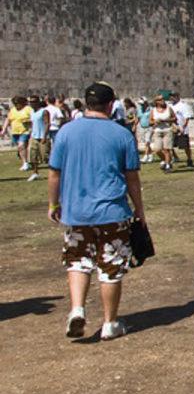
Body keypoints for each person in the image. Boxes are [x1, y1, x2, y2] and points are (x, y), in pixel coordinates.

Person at [48, 81, 146, 341]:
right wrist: (139, 210)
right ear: (111, 104)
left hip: (76, 211)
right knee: (111, 267)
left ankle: (77, 308)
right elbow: (132, 178)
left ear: (86, 103)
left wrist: (53, 204)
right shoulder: (121, 134)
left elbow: (54, 173)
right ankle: (110, 323)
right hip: (112, 212)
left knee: (78, 262)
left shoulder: (66, 132)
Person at [4, 95, 33, 171]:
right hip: (15, 132)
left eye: (17, 103)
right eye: (15, 103)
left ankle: (26, 163)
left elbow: (33, 118)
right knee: (20, 148)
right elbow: (8, 119)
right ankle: (25, 162)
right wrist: (4, 129)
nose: (16, 105)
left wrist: (29, 123)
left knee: (21, 146)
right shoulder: (13, 110)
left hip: (25, 131)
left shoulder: (28, 109)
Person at [148, 94, 176, 172]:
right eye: (160, 100)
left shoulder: (169, 108)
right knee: (157, 149)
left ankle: (167, 166)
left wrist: (166, 120)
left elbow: (174, 118)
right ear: (156, 102)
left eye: (163, 99)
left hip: (167, 130)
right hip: (157, 131)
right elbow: (150, 122)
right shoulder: (153, 110)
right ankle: (166, 161)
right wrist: (155, 121)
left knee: (167, 149)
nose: (162, 101)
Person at [26, 96, 49, 181]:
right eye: (30, 102)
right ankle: (35, 173)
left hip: (42, 137)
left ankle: (56, 172)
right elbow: (32, 124)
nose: (32, 104)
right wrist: (30, 134)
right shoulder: (32, 112)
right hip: (34, 137)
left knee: (45, 157)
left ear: (38, 102)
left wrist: (44, 137)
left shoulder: (44, 111)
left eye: (34, 102)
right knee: (32, 156)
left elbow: (47, 124)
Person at [170, 92, 194, 167]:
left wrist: (183, 128)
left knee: (185, 146)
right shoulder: (170, 106)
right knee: (169, 145)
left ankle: (189, 159)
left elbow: (187, 118)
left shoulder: (183, 106)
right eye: (171, 96)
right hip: (173, 128)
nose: (172, 98)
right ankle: (174, 158)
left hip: (181, 129)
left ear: (177, 97)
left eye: (173, 96)